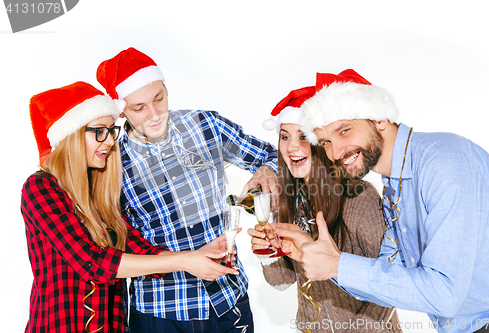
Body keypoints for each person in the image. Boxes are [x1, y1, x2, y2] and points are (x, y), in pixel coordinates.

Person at [279, 70, 489, 333]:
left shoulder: (444, 161)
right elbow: (386, 275)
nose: (336, 152)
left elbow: (445, 295)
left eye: (345, 130)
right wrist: (317, 254)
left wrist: (338, 264)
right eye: (326, 141)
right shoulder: (394, 186)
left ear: (380, 118)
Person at [22, 82, 231, 333]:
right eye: (99, 131)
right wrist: (184, 262)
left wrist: (197, 255)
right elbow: (91, 262)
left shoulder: (101, 194)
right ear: (73, 136)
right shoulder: (41, 188)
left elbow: (140, 250)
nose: (110, 141)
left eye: (112, 130)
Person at [96, 47, 278, 333]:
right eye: (139, 108)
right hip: (159, 312)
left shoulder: (206, 126)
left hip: (227, 300)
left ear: (166, 88)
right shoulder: (111, 162)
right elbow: (117, 244)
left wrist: (267, 171)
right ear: (121, 110)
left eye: (159, 98)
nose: (155, 115)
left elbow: (273, 156)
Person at [248, 86, 402, 332]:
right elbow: (282, 281)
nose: (291, 147)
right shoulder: (288, 199)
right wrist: (265, 253)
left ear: (321, 142)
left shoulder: (359, 197)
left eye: (302, 137)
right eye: (285, 137)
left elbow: (391, 283)